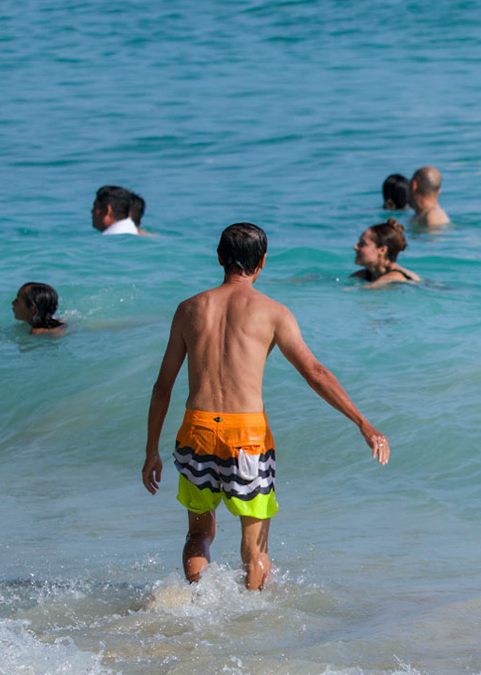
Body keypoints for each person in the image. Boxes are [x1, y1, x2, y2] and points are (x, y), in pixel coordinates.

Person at [142, 224, 388, 590]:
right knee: (254, 545)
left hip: (197, 430)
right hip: (247, 435)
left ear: (220, 258)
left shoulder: (189, 309)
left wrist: (151, 451)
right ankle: (249, 618)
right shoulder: (273, 313)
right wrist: (363, 424)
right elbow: (315, 373)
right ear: (263, 263)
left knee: (198, 533)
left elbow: (163, 386)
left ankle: (198, 607)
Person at [351, 219, 419, 287]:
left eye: (362, 244)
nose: (355, 247)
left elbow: (362, 290)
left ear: (382, 250)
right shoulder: (366, 274)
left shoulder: (395, 276)